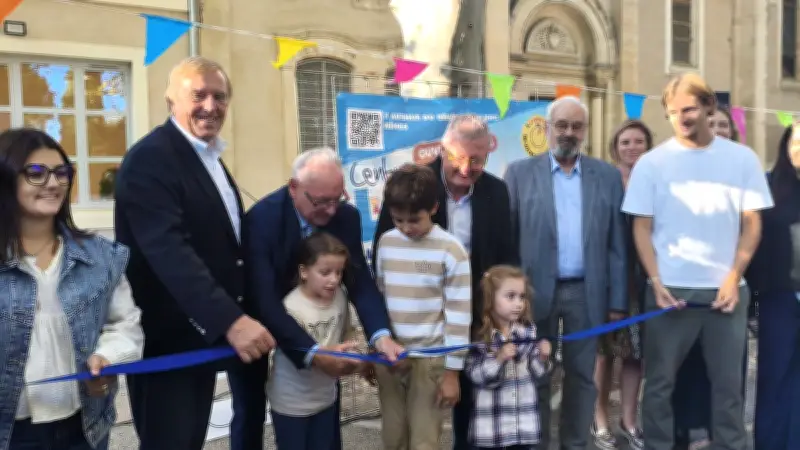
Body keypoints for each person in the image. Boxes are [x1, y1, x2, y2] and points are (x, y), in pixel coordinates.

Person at [115, 56, 276, 450]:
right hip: (169, 342)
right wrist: (231, 321)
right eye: (198, 95)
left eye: (219, 96)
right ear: (171, 101)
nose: (210, 105)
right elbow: (169, 252)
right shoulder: (151, 158)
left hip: (210, 337)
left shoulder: (210, 158)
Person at [622, 73, 773, 450]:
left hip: (726, 294)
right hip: (668, 292)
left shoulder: (742, 159)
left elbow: (753, 223)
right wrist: (655, 281)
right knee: (659, 386)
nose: (681, 118)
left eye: (689, 109)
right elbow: (641, 228)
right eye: (672, 112)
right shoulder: (652, 164)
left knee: (728, 389)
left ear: (709, 106)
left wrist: (733, 275)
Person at [372, 114, 518, 449]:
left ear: (488, 154)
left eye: (477, 160)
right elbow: (384, 255)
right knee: (412, 423)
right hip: (422, 326)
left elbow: (506, 256)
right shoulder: (416, 188)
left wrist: (505, 315)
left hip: (475, 316)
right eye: (458, 159)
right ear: (442, 149)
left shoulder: (496, 192)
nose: (466, 169)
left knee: (472, 408)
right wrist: (377, 334)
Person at [245, 147, 404, 448]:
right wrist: (312, 353)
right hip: (265, 324)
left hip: (323, 326)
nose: (331, 210)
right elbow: (262, 299)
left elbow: (360, 282)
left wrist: (380, 335)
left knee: (325, 414)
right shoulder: (261, 220)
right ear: (294, 189)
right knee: (251, 410)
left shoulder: (346, 217)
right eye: (321, 202)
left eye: (337, 198)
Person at [0, 128, 144, 450]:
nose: (53, 183)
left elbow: (125, 324)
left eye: (61, 172)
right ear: (7, 179)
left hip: (84, 430)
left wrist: (108, 358)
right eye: (36, 173)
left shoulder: (102, 256)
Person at [504, 95, 628, 450]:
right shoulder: (519, 173)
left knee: (582, 377)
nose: (569, 133)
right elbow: (509, 241)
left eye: (576, 126)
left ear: (585, 131)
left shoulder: (605, 176)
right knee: (535, 374)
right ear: (547, 128)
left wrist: (617, 301)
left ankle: (575, 443)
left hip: (586, 293)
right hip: (533, 293)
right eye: (561, 125)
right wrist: (510, 299)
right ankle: (538, 443)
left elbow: (617, 245)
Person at [371, 163, 471, 449]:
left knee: (424, 441)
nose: (406, 228)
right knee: (393, 437)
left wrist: (452, 373)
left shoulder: (451, 250)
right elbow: (379, 297)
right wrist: (375, 345)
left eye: (414, 220)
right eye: (397, 219)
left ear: (434, 208)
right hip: (391, 358)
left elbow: (459, 316)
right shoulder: (387, 243)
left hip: (430, 360)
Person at [671, 104, 744, 450]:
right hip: (688, 287)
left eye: (723, 125)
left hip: (731, 291)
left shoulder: (745, 172)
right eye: (710, 122)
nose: (716, 129)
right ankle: (687, 433)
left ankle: (722, 437)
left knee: (727, 376)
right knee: (688, 370)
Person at [266, 232, 362, 450]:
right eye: (325, 272)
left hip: (326, 398)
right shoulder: (291, 308)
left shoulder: (340, 296)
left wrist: (352, 356)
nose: (334, 279)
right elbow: (299, 356)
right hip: (292, 405)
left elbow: (348, 332)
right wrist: (333, 358)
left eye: (339, 272)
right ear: (304, 272)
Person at [591, 120, 652, 450]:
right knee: (605, 354)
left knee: (635, 355)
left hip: (644, 280)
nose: (632, 147)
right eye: (626, 141)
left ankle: (629, 420)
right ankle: (600, 417)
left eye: (639, 141)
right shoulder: (605, 179)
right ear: (616, 146)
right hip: (608, 280)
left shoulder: (656, 178)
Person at [746, 124, 800, 450]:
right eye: (797, 142)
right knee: (775, 377)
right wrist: (753, 304)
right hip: (778, 298)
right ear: (786, 146)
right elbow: (756, 248)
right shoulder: (769, 187)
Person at [465, 265, 553, 450]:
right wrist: (498, 359)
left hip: (523, 428)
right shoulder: (482, 338)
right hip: (492, 428)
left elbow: (538, 373)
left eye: (522, 297)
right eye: (510, 296)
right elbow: (475, 375)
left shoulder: (528, 333)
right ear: (491, 298)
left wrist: (543, 357)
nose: (518, 303)